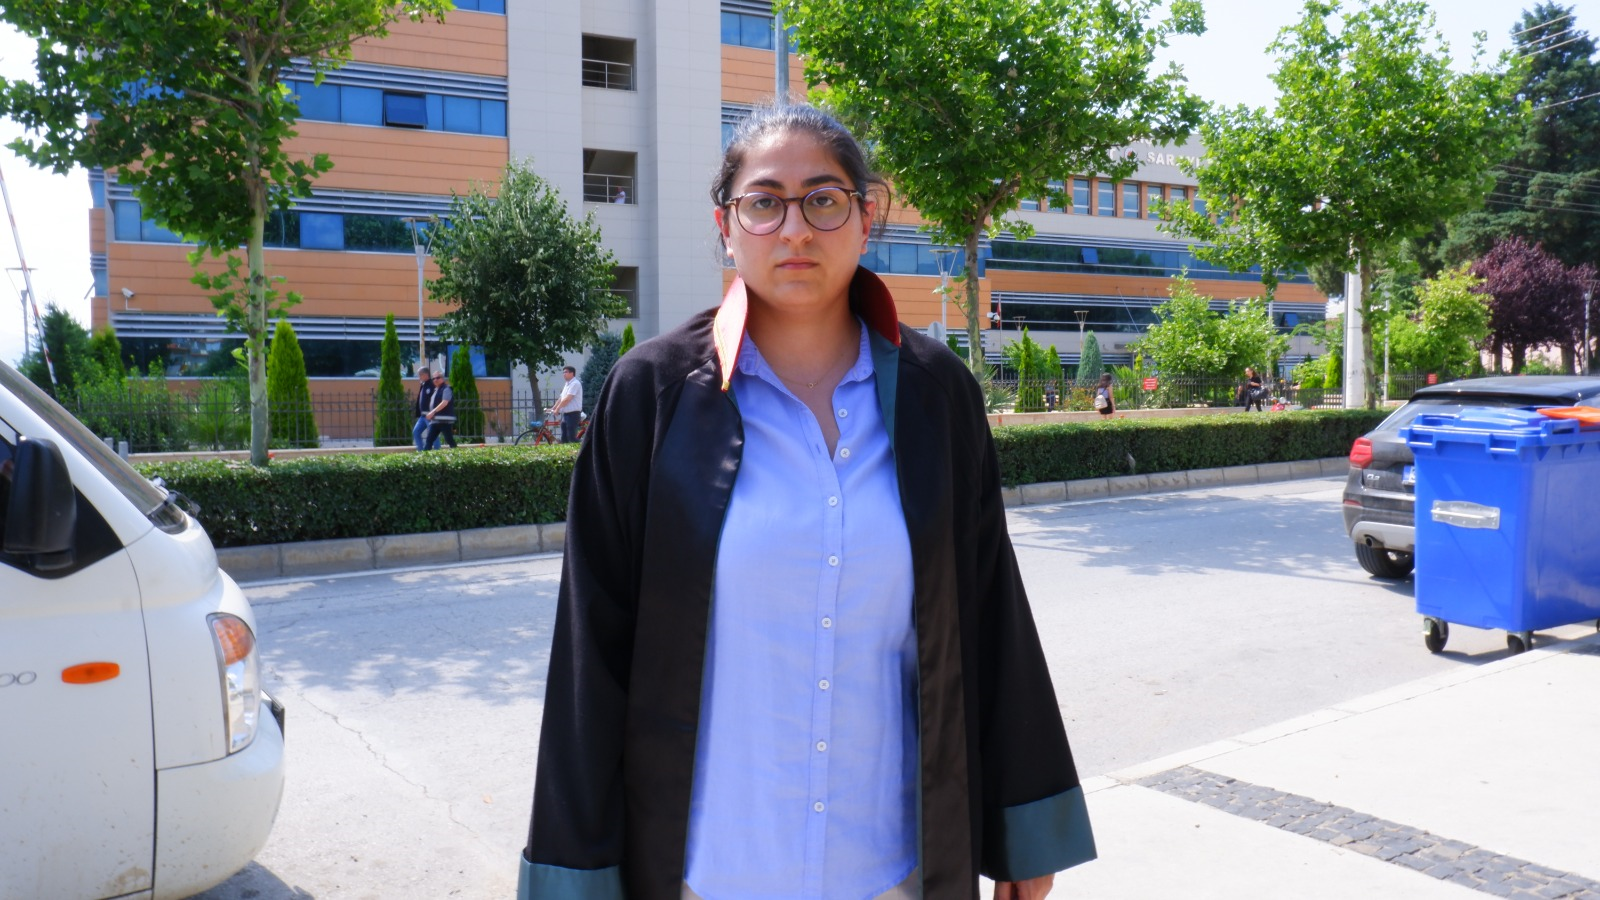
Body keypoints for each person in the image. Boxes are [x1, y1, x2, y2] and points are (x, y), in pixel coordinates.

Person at [521, 104, 1093, 900]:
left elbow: (990, 614)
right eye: (764, 202)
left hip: (894, 869)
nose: (794, 229)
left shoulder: (936, 395)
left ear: (865, 219)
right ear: (726, 226)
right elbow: (593, 650)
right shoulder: (651, 396)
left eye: (823, 200)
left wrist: (1025, 831)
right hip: (709, 872)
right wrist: (577, 880)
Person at [548, 366, 583, 443]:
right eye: (563, 372)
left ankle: (585, 445)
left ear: (572, 373)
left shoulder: (575, 383)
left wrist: (557, 409)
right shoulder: (567, 384)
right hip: (566, 415)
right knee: (564, 438)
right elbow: (561, 398)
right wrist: (553, 408)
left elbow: (567, 399)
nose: (564, 374)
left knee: (572, 438)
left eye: (566, 372)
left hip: (573, 414)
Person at [423, 371, 456, 449]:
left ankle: (458, 454)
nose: (435, 380)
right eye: (433, 378)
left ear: (442, 379)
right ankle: (424, 456)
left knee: (449, 440)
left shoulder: (446, 389)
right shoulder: (436, 390)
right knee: (429, 440)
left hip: (445, 420)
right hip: (435, 421)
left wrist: (433, 412)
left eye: (438, 378)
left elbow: (445, 402)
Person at [411, 367, 435, 451]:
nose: (419, 377)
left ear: (426, 374)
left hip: (430, 416)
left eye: (420, 375)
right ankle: (421, 452)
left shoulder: (432, 385)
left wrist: (433, 412)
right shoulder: (423, 385)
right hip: (423, 416)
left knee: (433, 435)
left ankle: (438, 452)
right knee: (416, 432)